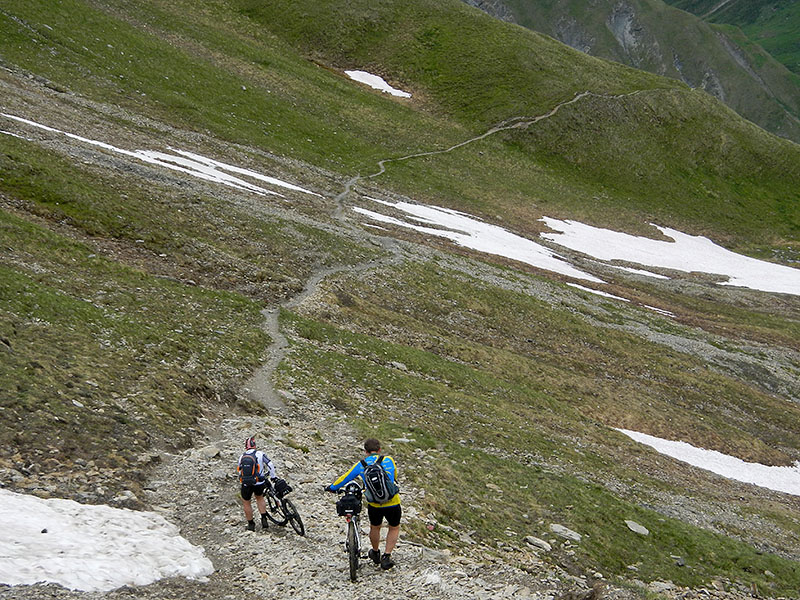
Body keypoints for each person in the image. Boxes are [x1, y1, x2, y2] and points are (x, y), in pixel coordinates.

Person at [325, 438, 401, 570]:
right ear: (379, 450)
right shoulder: (389, 460)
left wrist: (332, 487)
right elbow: (394, 477)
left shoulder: (361, 464)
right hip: (393, 502)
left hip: (374, 504)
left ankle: (375, 552)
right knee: (394, 527)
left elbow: (345, 477)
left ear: (365, 451)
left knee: (375, 527)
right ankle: (387, 556)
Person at [237, 435, 277, 531]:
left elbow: (239, 470)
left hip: (246, 483)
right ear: (254, 445)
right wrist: (273, 477)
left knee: (246, 502)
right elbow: (270, 464)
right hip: (259, 482)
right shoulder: (260, 454)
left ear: (246, 446)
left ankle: (251, 524)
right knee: (259, 498)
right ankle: (264, 519)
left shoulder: (242, 456)